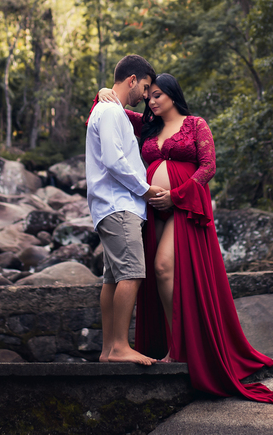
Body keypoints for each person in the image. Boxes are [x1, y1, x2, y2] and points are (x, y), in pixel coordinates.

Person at [96, 74, 273, 404]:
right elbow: (110, 108)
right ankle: (169, 345)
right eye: (149, 96)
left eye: (158, 95)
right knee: (154, 272)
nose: (151, 101)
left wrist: (177, 195)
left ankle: (180, 347)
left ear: (174, 95)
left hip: (184, 205)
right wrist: (104, 90)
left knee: (163, 267)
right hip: (153, 210)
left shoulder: (195, 125)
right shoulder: (146, 126)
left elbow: (208, 166)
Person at [85, 54, 166, 365]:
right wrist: (145, 190)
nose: (145, 96)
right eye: (145, 88)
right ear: (132, 80)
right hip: (119, 206)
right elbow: (114, 159)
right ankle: (120, 346)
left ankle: (108, 350)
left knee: (112, 278)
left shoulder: (110, 110)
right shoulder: (109, 112)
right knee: (131, 273)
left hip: (112, 206)